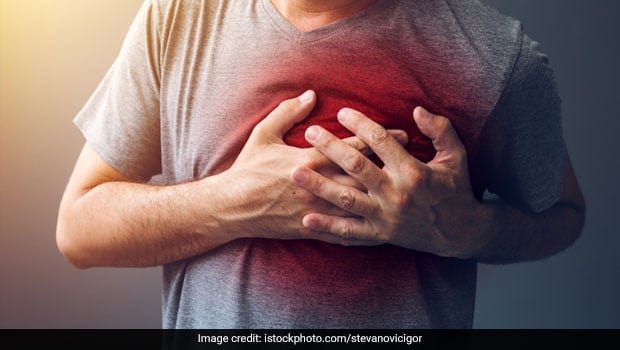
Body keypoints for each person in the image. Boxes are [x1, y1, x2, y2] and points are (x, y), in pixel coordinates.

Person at [56, 0, 585, 328]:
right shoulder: (176, 18)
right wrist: (232, 201)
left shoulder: (496, 55)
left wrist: (470, 230)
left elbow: (563, 215)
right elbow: (79, 230)